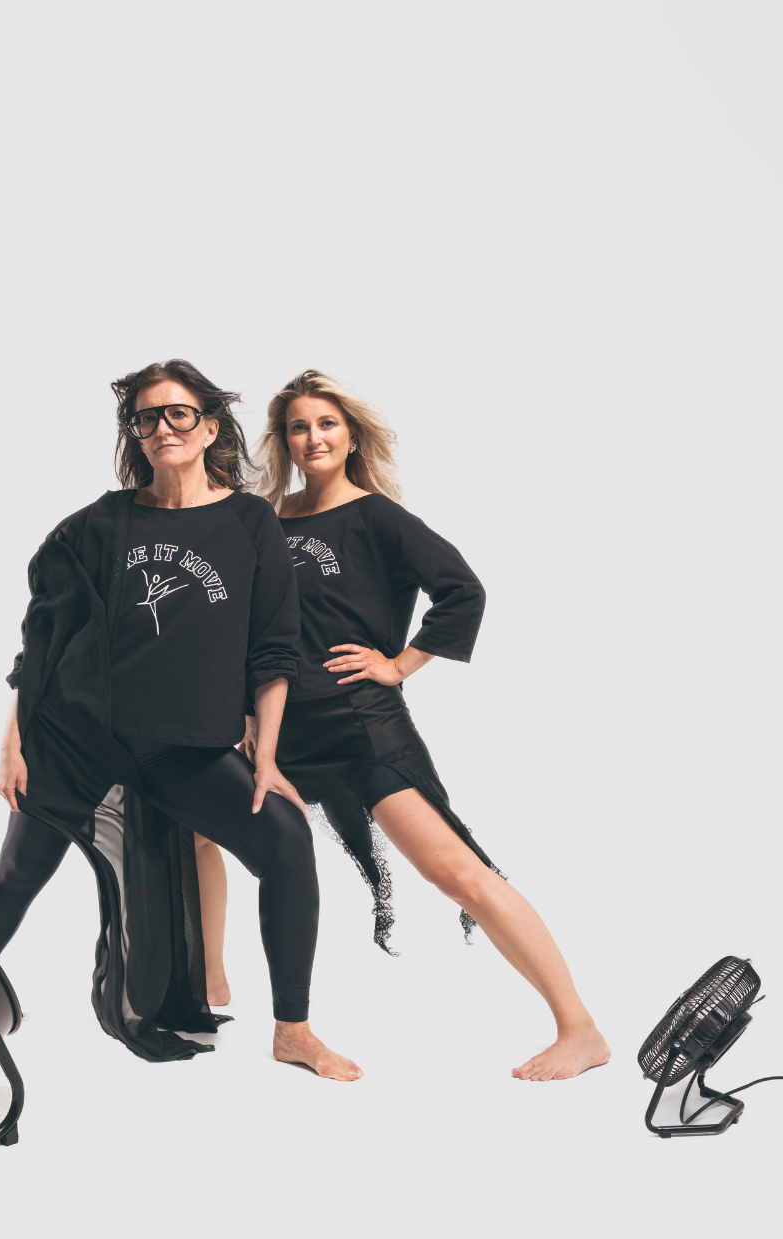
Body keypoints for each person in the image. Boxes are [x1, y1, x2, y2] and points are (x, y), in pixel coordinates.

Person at [197, 370, 609, 1082]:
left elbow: (461, 590)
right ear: (285, 440)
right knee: (194, 826)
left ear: (350, 433)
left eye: (326, 423)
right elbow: (246, 628)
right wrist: (245, 716)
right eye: (299, 426)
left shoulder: (378, 518)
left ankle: (580, 1029)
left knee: (455, 872)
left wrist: (402, 663)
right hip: (280, 732)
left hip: (361, 726)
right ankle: (209, 985)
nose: (313, 437)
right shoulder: (265, 519)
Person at [0, 359, 361, 1080]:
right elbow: (42, 641)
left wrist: (267, 759)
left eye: (177, 413)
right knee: (23, 866)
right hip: (78, 737)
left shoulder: (250, 524)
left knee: (285, 842)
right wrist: (12, 742)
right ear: (136, 434)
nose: (160, 428)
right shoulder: (97, 525)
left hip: (184, 750)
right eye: (146, 417)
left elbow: (274, 651)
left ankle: (294, 1030)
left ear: (210, 426)